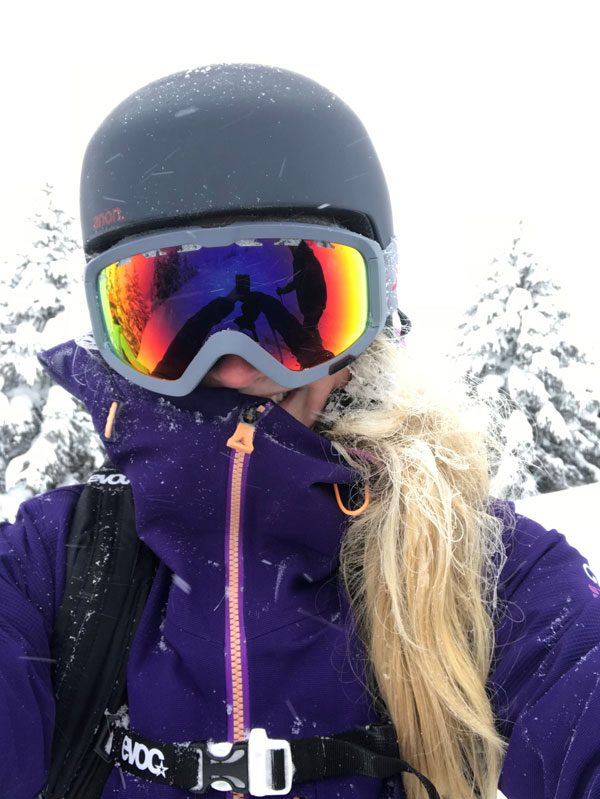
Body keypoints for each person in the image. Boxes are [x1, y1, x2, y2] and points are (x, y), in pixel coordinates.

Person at [1, 63, 600, 799]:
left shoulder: (475, 564)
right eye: (174, 313)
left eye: (293, 307)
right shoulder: (53, 564)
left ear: (371, 321)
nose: (236, 365)